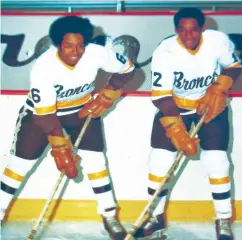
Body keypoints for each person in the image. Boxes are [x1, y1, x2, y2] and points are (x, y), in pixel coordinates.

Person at [0, 16, 135, 240]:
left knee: (96, 161)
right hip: (41, 115)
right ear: (57, 44)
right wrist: (60, 149)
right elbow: (46, 116)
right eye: (68, 45)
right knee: (19, 165)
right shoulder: (44, 67)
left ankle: (109, 215)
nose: (76, 51)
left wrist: (110, 91)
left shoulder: (97, 53)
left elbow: (128, 70)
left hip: (80, 111)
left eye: (80, 45)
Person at [134, 7, 241, 240]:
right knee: (159, 162)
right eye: (182, 30)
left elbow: (234, 67)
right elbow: (161, 96)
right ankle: (156, 216)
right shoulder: (166, 51)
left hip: (210, 107)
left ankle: (223, 218)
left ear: (203, 28)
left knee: (217, 161)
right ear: (176, 30)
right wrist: (177, 130)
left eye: (194, 29)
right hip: (175, 107)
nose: (188, 35)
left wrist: (218, 86)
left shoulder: (218, 42)